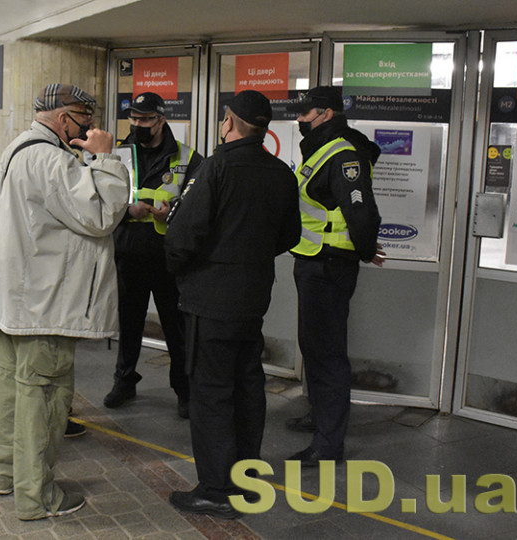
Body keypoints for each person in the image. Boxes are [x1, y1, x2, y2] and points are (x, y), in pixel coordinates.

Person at [0, 83, 129, 520]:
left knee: (9, 390)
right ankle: (37, 497)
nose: (92, 128)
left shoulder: (19, 149)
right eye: (86, 119)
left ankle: (3, 474)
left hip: (16, 300)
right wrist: (106, 158)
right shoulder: (50, 159)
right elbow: (100, 215)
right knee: (44, 396)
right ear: (64, 118)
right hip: (45, 303)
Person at [164, 90, 301, 519]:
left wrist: (183, 269)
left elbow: (183, 235)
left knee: (211, 393)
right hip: (252, 299)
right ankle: (245, 477)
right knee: (247, 387)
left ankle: (217, 490)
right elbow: (291, 235)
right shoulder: (280, 172)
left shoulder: (217, 166)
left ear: (229, 121)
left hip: (211, 300)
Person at [284, 86, 384, 467]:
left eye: (306, 113)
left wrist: (364, 247)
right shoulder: (322, 149)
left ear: (326, 114)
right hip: (314, 261)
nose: (299, 119)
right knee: (314, 346)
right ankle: (319, 415)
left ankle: (329, 444)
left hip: (329, 264)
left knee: (326, 354)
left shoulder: (343, 154)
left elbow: (360, 211)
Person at [104, 92, 203, 418]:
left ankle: (185, 391)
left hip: (167, 259)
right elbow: (100, 197)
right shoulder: (118, 154)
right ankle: (124, 380)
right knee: (129, 324)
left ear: (162, 120)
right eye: (134, 118)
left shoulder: (188, 158)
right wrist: (126, 210)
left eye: (146, 119)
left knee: (176, 329)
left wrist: (171, 211)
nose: (138, 124)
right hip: (129, 252)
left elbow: (200, 205)